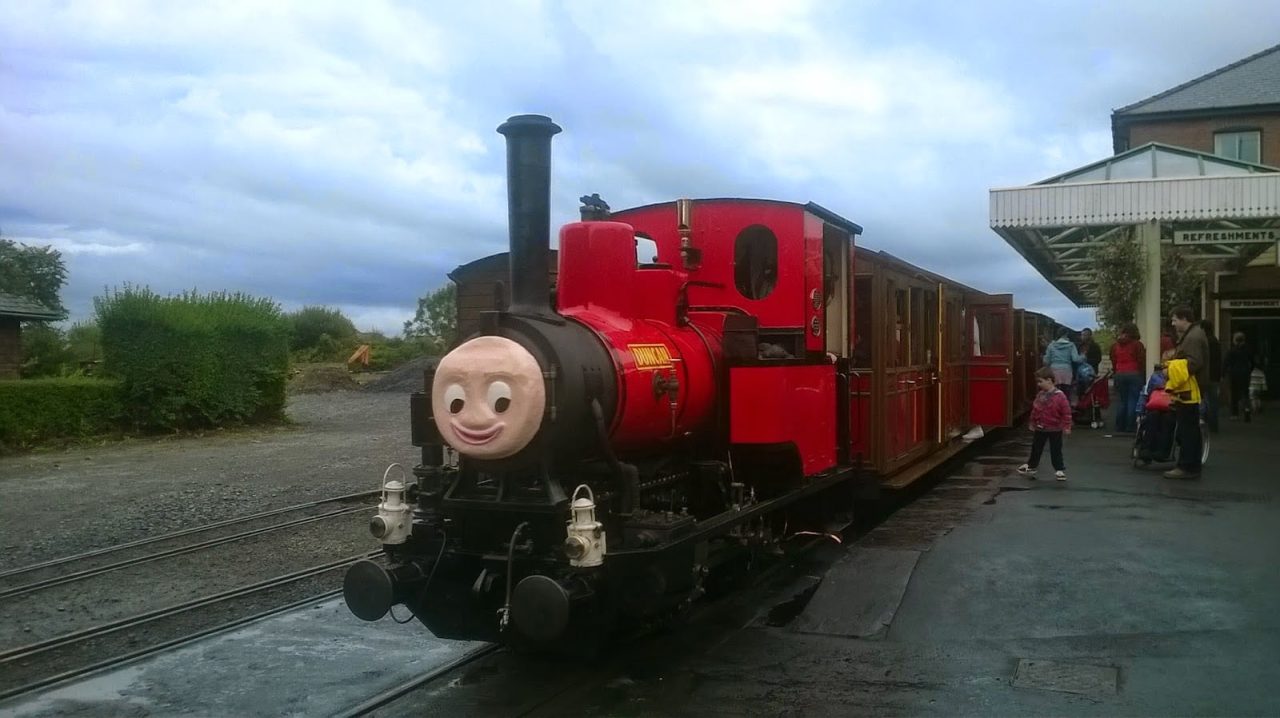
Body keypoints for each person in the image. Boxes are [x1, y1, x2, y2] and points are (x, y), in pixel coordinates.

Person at [1166, 307, 1208, 480]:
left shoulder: (1192, 337)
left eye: (1175, 320)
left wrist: (1171, 369)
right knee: (1190, 428)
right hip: (1191, 388)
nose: (1173, 324)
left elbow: (1193, 363)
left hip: (1188, 389)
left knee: (1187, 429)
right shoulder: (1196, 334)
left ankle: (1187, 466)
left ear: (1185, 319)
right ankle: (1191, 464)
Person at [1018, 367, 1072, 481]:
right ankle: (1032, 466)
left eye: (1040, 381)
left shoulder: (1060, 396)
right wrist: (1032, 422)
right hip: (1041, 428)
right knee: (1036, 448)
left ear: (1049, 380)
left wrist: (1067, 425)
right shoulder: (1040, 395)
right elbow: (1035, 410)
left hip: (1055, 429)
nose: (1039, 384)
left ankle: (1059, 469)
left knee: (1055, 449)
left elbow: (1066, 412)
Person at [1136, 352, 1176, 462]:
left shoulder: (1179, 376)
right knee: (1154, 417)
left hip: (1171, 408)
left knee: (1165, 419)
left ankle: (1158, 450)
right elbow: (1145, 393)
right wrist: (1140, 410)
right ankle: (1149, 449)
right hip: (1158, 407)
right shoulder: (1155, 376)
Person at [1109, 322, 1146, 433]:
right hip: (1134, 373)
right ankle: (1131, 426)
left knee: (1121, 400)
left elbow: (1113, 360)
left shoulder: (1115, 345)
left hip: (1119, 373)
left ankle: (1119, 426)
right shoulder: (1137, 344)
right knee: (1133, 400)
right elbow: (1141, 361)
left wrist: (1116, 372)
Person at [1043, 328, 1083, 399]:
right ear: (1066, 334)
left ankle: (1055, 407)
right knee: (1066, 393)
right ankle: (1065, 407)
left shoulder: (1051, 345)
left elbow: (1046, 361)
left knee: (1054, 391)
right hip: (1066, 370)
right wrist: (1083, 356)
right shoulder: (1071, 345)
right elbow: (1075, 359)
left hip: (1054, 370)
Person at [1225, 332, 1254, 422]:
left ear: (1234, 340)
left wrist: (1224, 373)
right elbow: (1253, 362)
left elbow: (1226, 363)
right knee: (1245, 393)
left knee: (1234, 394)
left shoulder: (1232, 351)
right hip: (1245, 374)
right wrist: (1249, 370)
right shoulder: (1248, 350)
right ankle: (1247, 411)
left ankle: (1235, 413)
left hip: (1234, 374)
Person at [1200, 320, 1222, 433]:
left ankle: (1207, 422)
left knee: (1205, 400)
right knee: (1213, 401)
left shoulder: (1206, 342)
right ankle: (1214, 425)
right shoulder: (1215, 341)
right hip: (1215, 375)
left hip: (1207, 375)